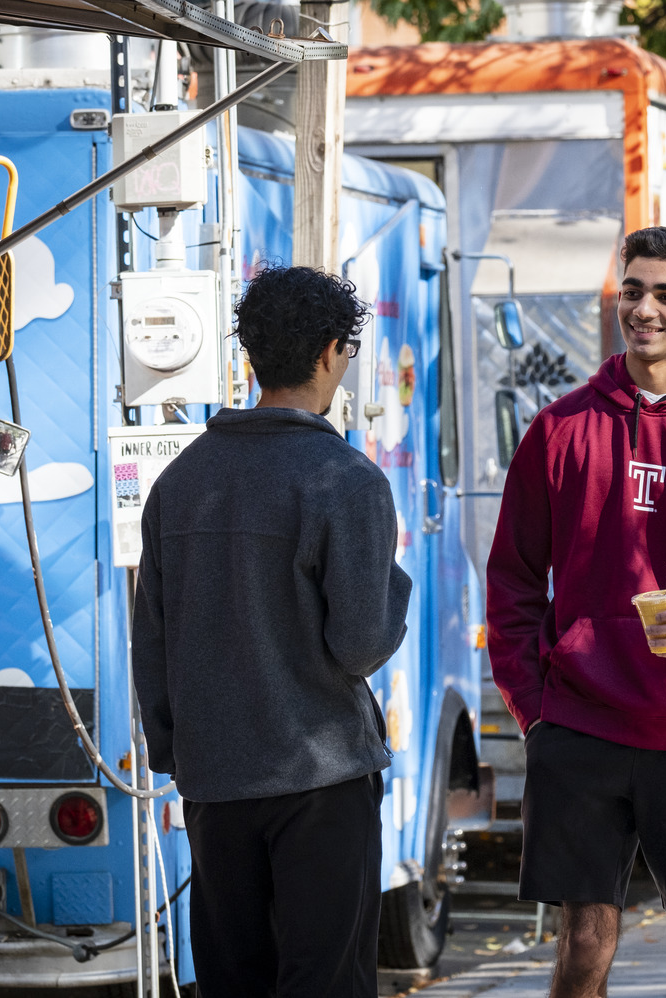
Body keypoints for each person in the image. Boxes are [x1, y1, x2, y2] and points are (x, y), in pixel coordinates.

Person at [487, 227, 666, 998]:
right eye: (633, 289)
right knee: (583, 944)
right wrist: (533, 707)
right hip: (580, 724)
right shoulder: (558, 429)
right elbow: (513, 579)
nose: (644, 309)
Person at [131, 266, 411, 998]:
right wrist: (395, 579)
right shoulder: (345, 480)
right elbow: (360, 643)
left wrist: (176, 748)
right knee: (325, 981)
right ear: (330, 353)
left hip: (215, 780)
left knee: (233, 980)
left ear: (250, 355)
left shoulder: (181, 480)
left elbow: (151, 639)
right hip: (320, 775)